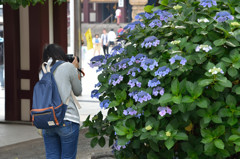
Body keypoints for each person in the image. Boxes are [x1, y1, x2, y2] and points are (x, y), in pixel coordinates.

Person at [41, 44, 82, 159]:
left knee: (52, 156)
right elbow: (78, 91)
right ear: (61, 54)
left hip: (48, 120)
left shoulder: (43, 69)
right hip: (67, 119)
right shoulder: (68, 67)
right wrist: (75, 69)